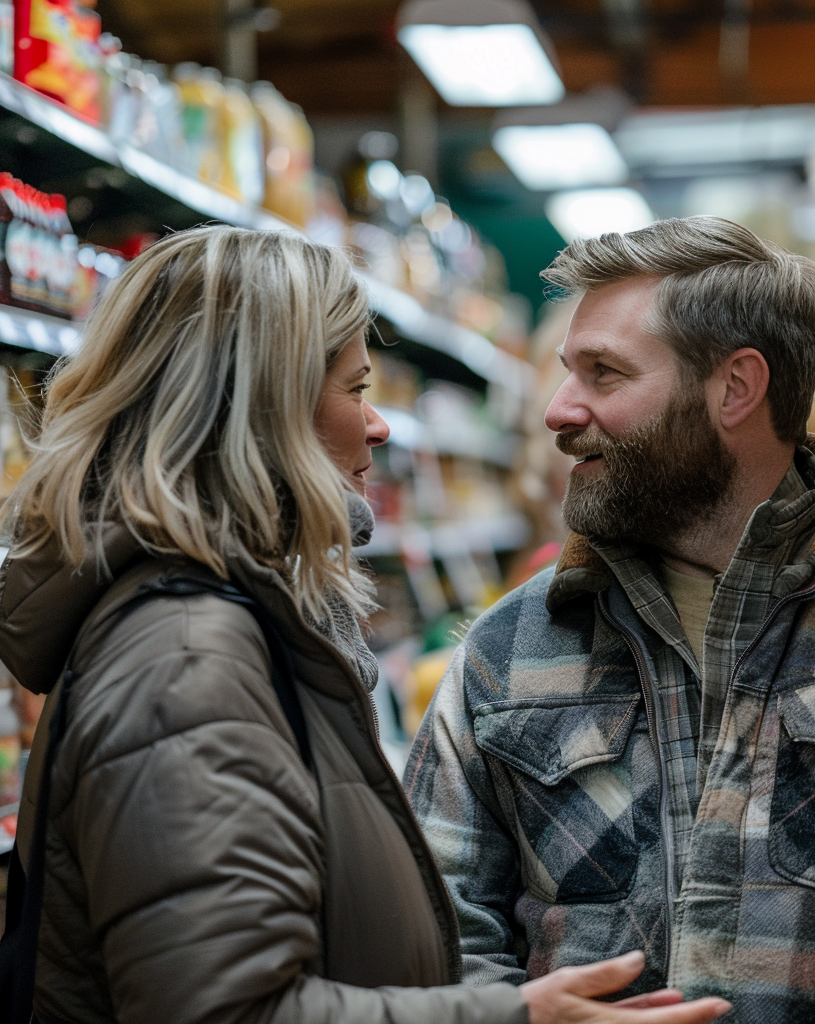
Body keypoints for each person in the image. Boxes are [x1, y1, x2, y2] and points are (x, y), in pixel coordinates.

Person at [0, 226, 733, 1024]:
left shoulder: (223, 626)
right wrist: (515, 1018)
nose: (379, 426)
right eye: (355, 390)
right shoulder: (186, 659)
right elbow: (224, 1011)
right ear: (261, 409)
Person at [406, 215, 815, 1021]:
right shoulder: (509, 650)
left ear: (735, 387)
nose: (558, 411)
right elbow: (434, 934)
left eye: (604, 373)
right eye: (567, 373)